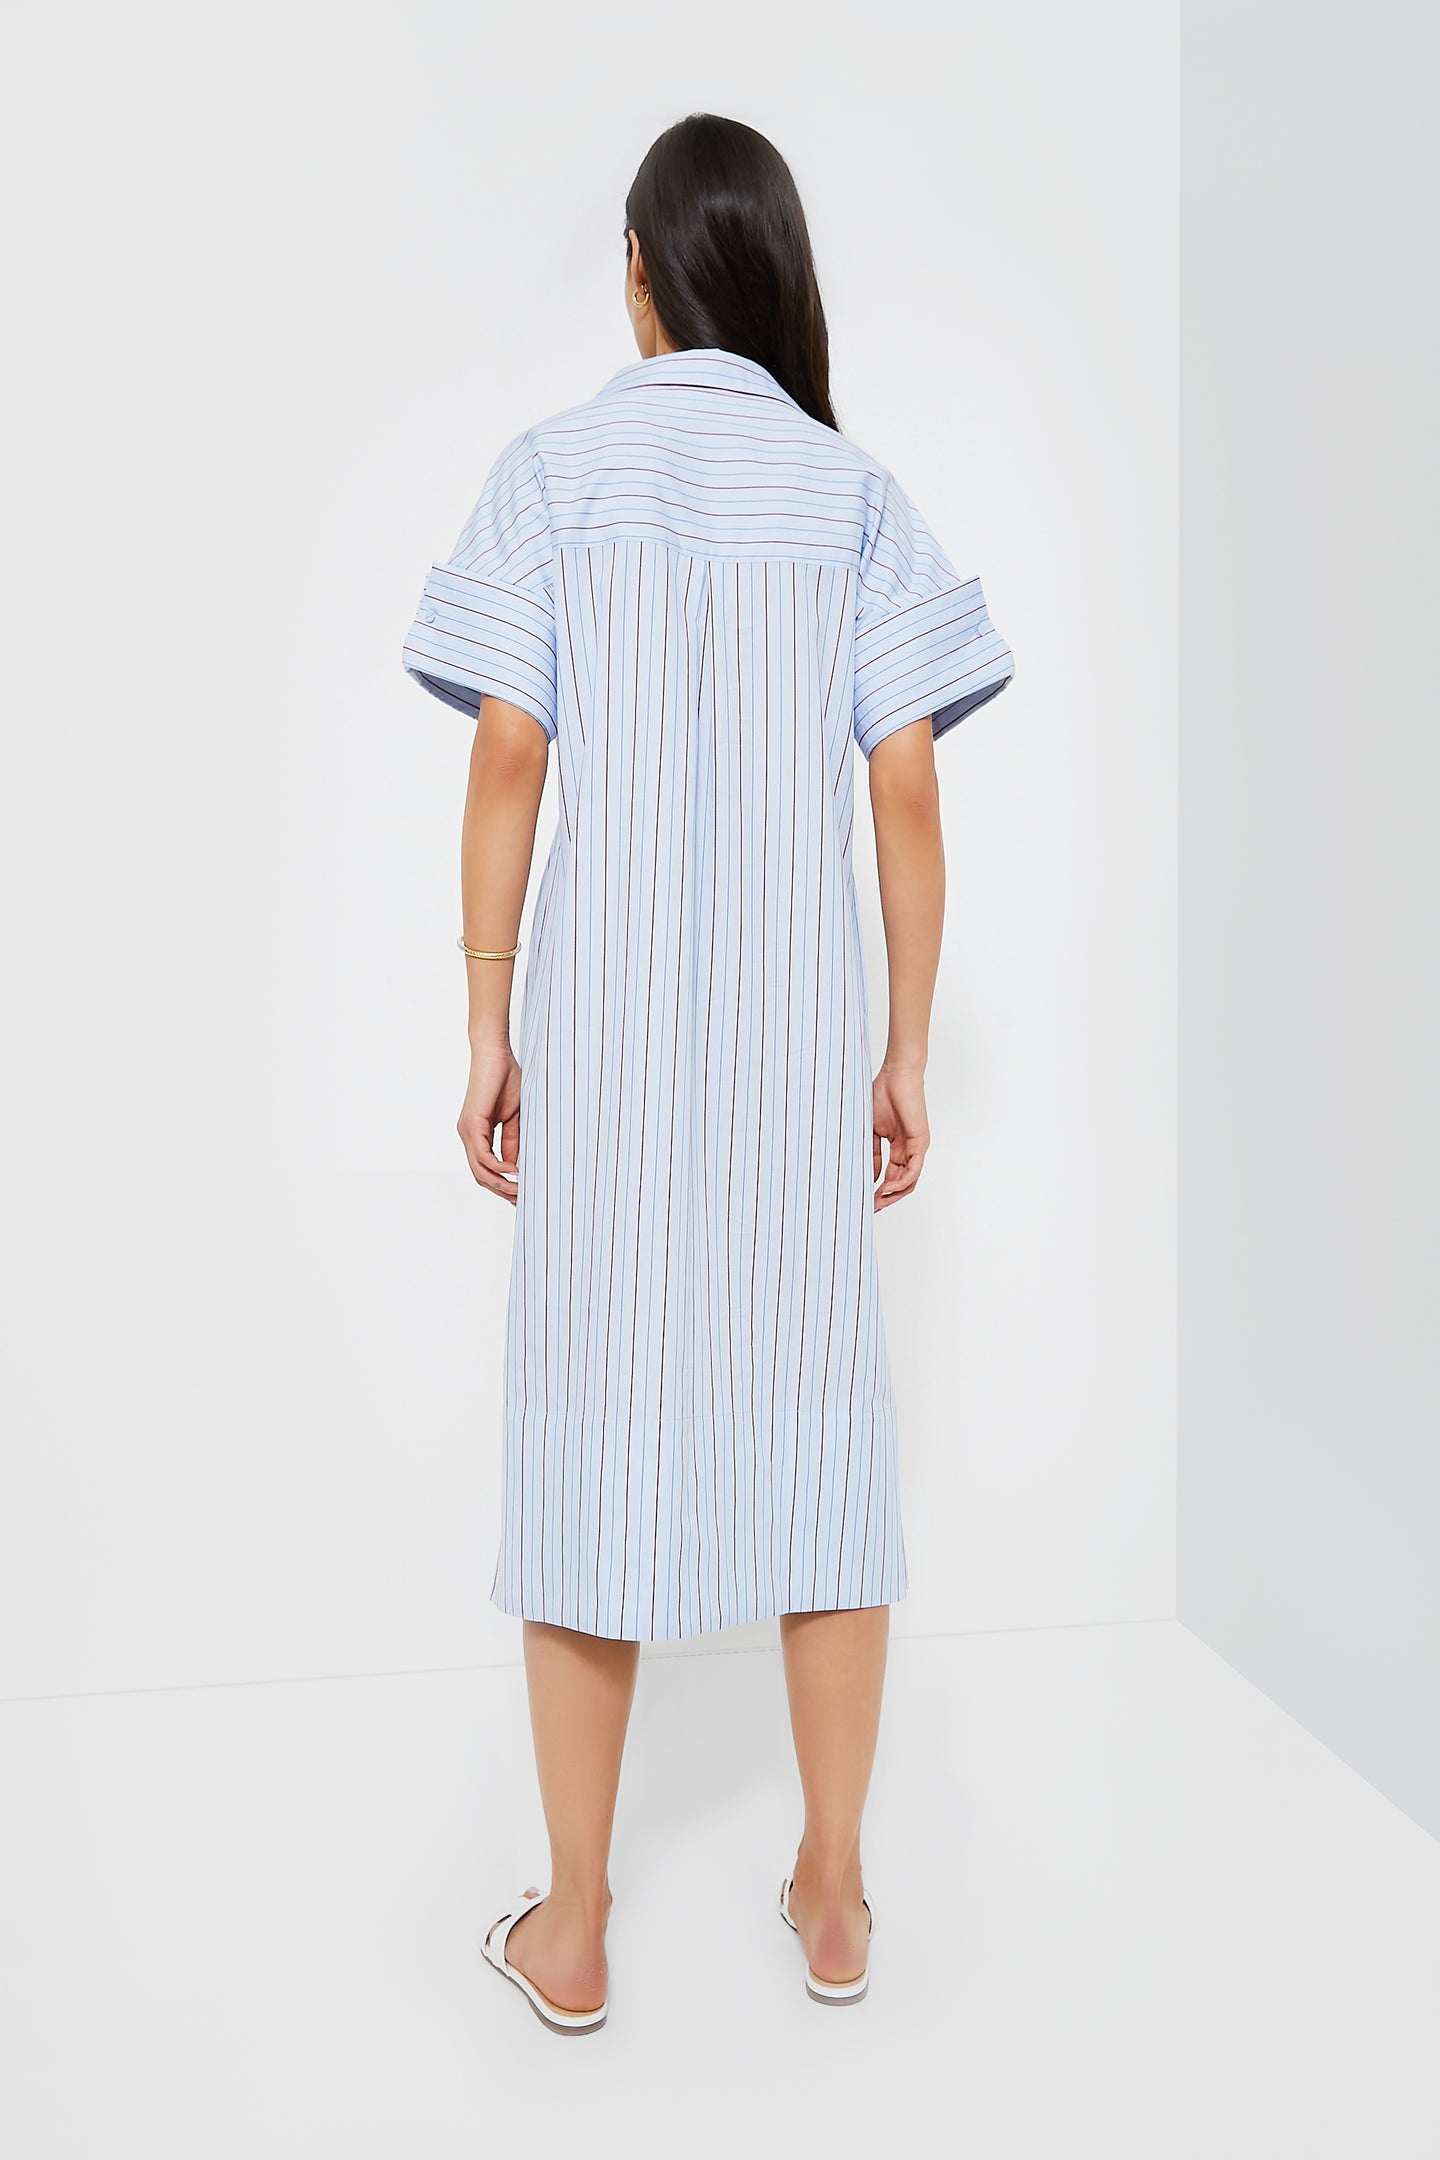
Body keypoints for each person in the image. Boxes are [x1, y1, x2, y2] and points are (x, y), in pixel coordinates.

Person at [401, 111, 1015, 2034]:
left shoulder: (553, 472)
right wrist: (903, 1046)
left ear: (648, 274)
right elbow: (906, 788)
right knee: (828, 1446)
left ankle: (574, 1926)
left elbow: (509, 755)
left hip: (603, 1055)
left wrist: (487, 1022)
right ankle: (832, 1895)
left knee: (586, 1438)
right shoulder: (851, 492)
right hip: (791, 1061)